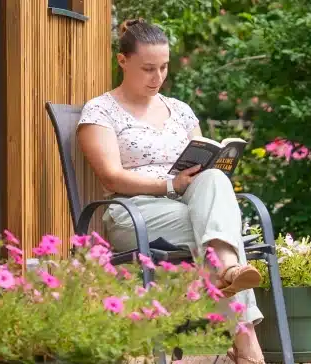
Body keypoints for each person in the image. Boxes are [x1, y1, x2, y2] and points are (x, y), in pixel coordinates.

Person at [75, 18, 267, 364]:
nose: (158, 77)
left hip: (187, 205)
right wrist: (169, 183)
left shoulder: (179, 109)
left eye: (163, 67)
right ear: (123, 61)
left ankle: (226, 271)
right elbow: (111, 178)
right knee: (217, 232)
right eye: (148, 68)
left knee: (215, 181)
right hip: (134, 212)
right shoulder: (101, 111)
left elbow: (202, 158)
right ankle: (246, 338)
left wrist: (212, 167)